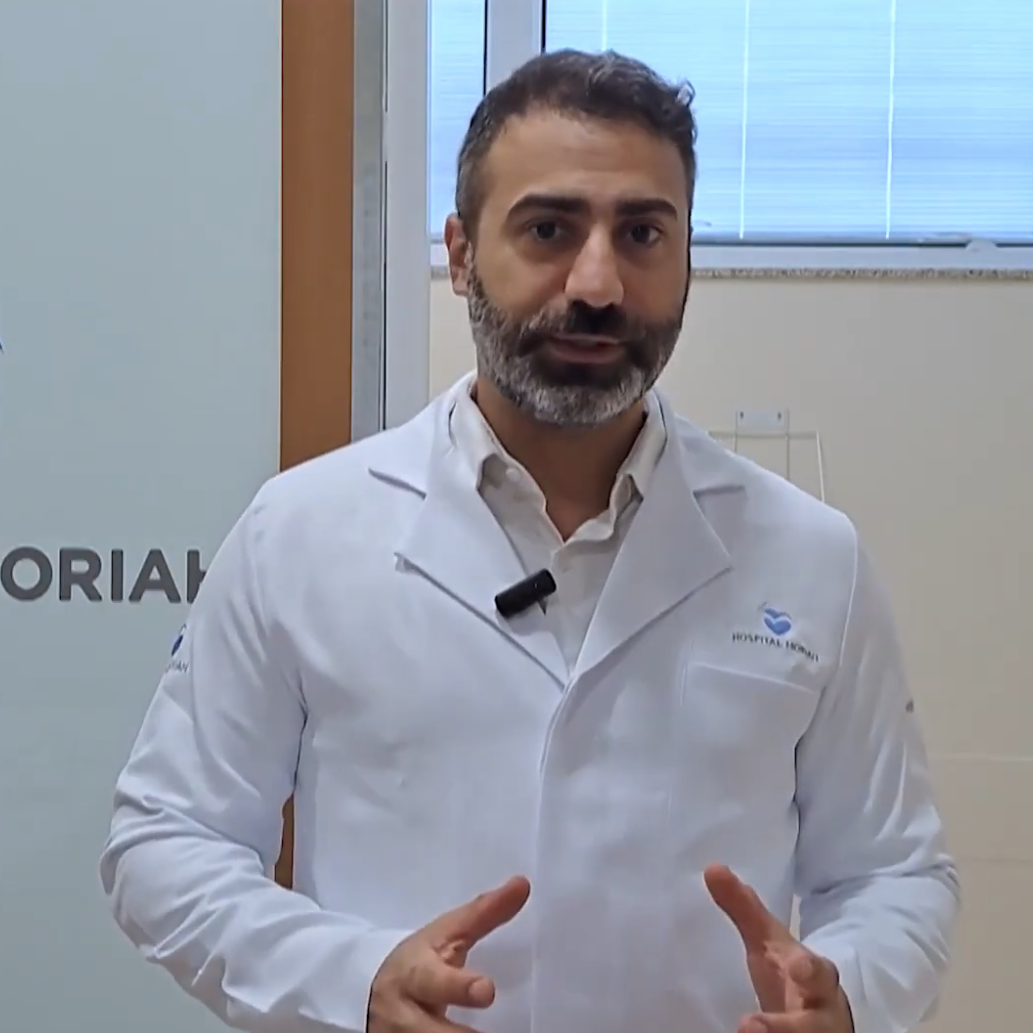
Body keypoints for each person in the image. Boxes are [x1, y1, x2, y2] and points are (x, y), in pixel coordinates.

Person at [100, 48, 959, 1033]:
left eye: (641, 233)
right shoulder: (300, 530)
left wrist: (848, 992)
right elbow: (166, 838)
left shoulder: (809, 555)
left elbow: (894, 873)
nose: (597, 283)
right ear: (462, 252)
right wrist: (350, 978)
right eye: (548, 229)